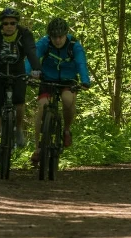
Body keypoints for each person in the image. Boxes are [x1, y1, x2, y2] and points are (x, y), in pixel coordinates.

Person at [0, 7, 41, 165]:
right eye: (5, 23)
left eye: (12, 23)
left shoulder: (24, 34)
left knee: (19, 101)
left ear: (17, 23)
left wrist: (36, 69)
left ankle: (18, 130)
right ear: (1, 24)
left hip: (17, 73)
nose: (9, 26)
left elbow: (31, 51)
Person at [31, 17, 92, 163]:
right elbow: (32, 58)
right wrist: (28, 73)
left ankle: (66, 130)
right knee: (42, 107)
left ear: (65, 34)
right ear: (49, 36)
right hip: (47, 78)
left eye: (60, 37)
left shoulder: (74, 46)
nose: (57, 40)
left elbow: (81, 63)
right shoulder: (44, 43)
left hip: (68, 79)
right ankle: (37, 148)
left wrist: (85, 80)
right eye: (54, 37)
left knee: (67, 99)